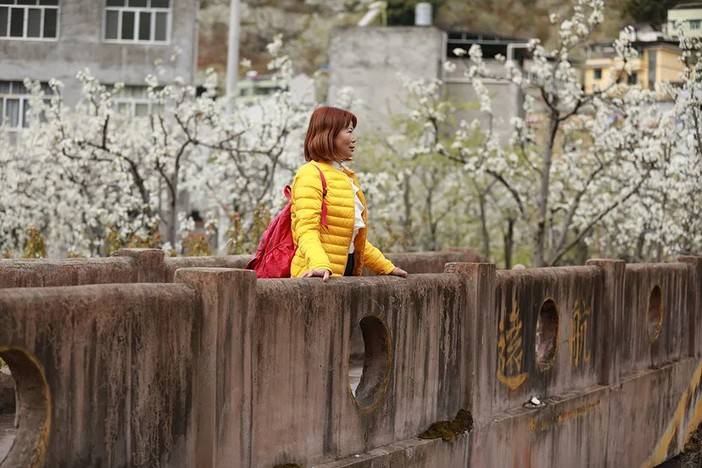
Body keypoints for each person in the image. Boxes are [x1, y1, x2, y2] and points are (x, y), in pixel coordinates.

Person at [290, 106, 408, 281]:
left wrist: (385, 267)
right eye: (349, 131)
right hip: (317, 275)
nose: (354, 139)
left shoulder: (346, 176)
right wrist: (319, 264)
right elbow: (306, 230)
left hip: (342, 274)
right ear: (329, 134)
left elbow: (352, 240)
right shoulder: (310, 174)